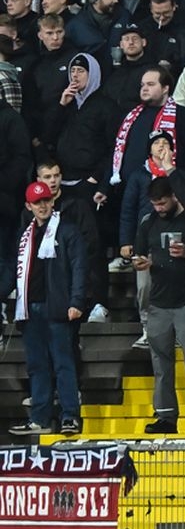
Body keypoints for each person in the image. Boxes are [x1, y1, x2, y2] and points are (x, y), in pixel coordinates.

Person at [130, 175, 185, 434]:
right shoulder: (148, 222)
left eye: (163, 203)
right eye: (155, 204)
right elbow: (138, 254)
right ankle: (166, 416)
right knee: (160, 363)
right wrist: (140, 263)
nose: (159, 208)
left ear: (174, 197)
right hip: (158, 302)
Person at [9, 181, 87, 435]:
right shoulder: (25, 235)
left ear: (53, 201)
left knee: (63, 364)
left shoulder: (67, 230)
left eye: (46, 201)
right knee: (37, 365)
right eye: (37, 202)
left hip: (57, 307)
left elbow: (79, 266)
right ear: (28, 206)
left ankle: (70, 416)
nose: (42, 206)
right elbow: (16, 270)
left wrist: (76, 301)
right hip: (29, 309)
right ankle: (40, 418)